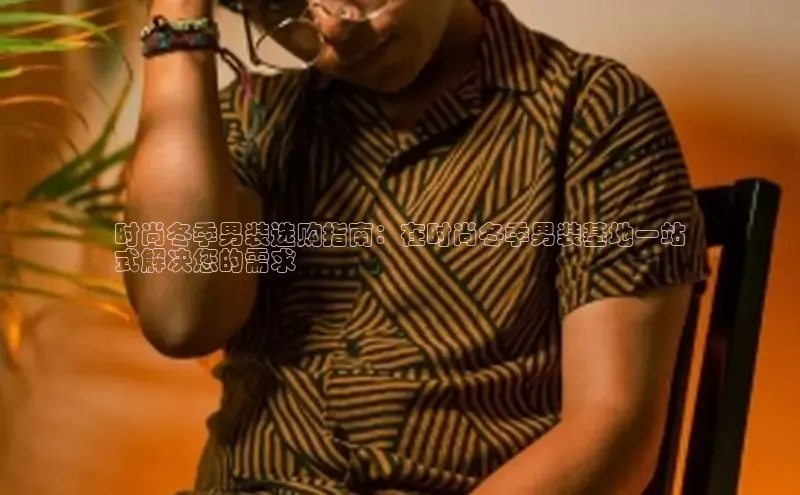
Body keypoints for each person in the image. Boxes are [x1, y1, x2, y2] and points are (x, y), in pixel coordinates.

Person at [124, 0, 710, 493]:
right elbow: (181, 319)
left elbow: (612, 428)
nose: (334, 27)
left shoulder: (592, 112)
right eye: (282, 6)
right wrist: (177, 29)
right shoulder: (255, 119)